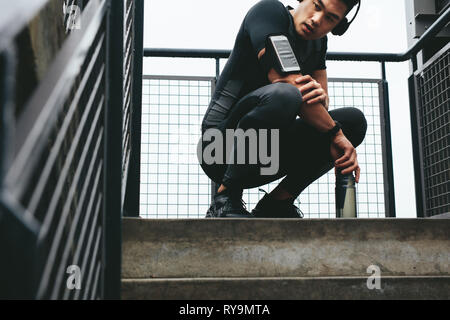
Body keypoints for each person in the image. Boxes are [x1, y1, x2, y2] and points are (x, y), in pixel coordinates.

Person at [198, 0, 368, 218]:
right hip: (219, 149)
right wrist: (335, 134)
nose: (317, 20)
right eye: (316, 6)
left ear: (339, 26)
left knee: (353, 121)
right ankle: (225, 198)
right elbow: (284, 80)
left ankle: (277, 203)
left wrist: (322, 101)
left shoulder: (318, 43)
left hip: (268, 155)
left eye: (330, 18)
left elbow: (321, 107)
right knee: (286, 94)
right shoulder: (269, 13)